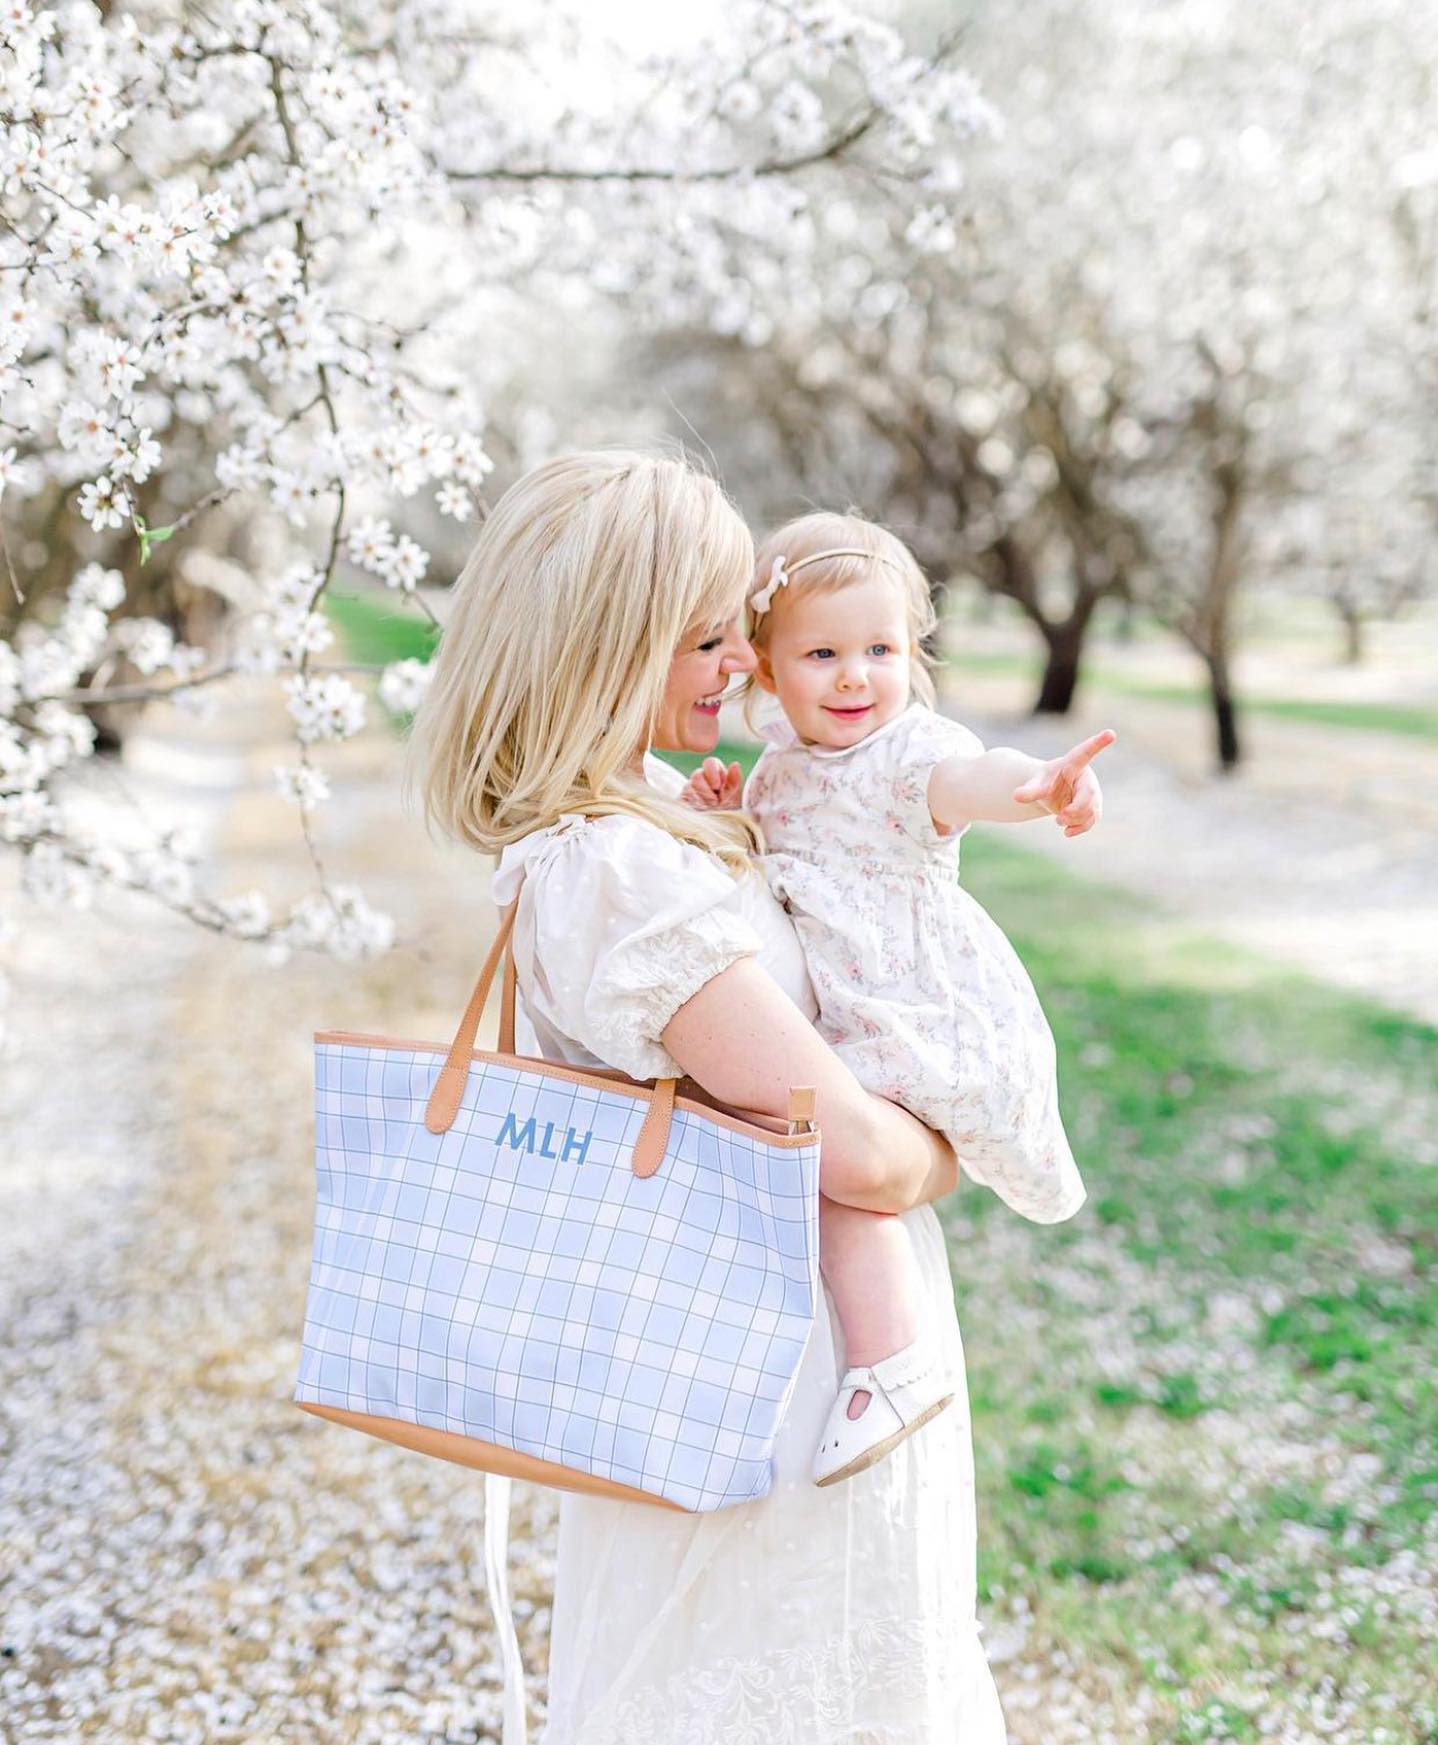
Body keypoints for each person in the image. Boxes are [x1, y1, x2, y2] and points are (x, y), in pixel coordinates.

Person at [406, 449, 1008, 1744]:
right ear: (604, 649)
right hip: (766, 1397)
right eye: (704, 637)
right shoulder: (614, 871)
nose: (742, 660)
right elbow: (857, 1157)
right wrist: (954, 1140)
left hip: (783, 1366)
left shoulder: (653, 817)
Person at [682, 511, 1112, 1487]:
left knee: (838, 1162)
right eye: (822, 652)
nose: (853, 676)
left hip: (917, 1009)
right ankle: (874, 1354)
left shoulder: (907, 754)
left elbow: (970, 778)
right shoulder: (782, 771)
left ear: (911, 657)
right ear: (764, 668)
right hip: (849, 1007)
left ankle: (891, 1359)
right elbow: (771, 864)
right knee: (823, 1149)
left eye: (879, 649)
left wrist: (1037, 785)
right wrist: (723, 815)